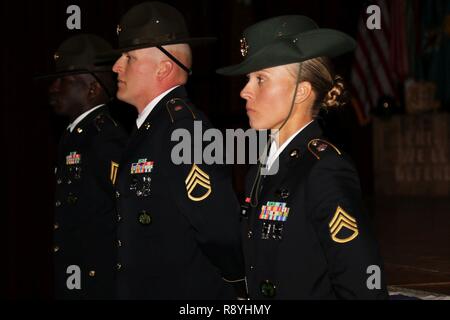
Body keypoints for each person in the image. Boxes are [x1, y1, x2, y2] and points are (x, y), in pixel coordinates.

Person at [217, 15, 389, 299]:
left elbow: (361, 280)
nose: (245, 91)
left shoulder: (324, 169)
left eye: (260, 79)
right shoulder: (261, 168)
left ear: (301, 91)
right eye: (249, 79)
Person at [105, 2, 246, 299]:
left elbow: (219, 229)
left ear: (164, 68)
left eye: (128, 57)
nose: (116, 66)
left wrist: (238, 287)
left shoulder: (184, 130)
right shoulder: (151, 130)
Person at [38, 34, 129, 299]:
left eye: (64, 80)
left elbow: (123, 212)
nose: (53, 88)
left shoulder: (104, 139)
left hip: (98, 282)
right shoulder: (75, 136)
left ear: (92, 89)